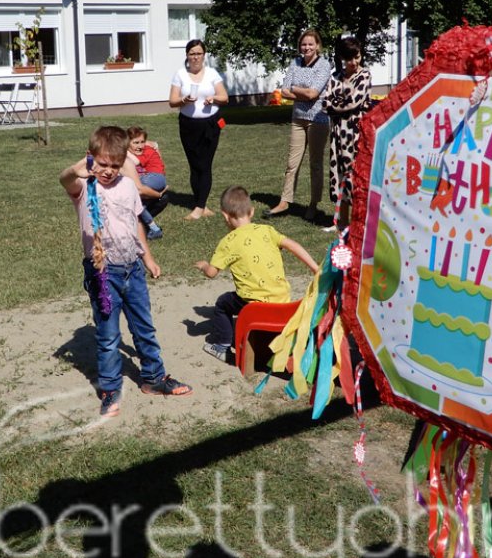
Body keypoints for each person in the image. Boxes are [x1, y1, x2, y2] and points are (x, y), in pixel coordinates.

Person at [60, 126, 193, 417]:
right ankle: (109, 388)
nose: (108, 171)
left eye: (115, 165)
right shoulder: (84, 187)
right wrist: (77, 169)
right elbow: (64, 179)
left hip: (133, 269)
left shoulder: (128, 187)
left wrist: (148, 258)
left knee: (144, 327)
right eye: (102, 164)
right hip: (102, 274)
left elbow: (135, 227)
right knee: (108, 336)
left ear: (124, 163)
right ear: (92, 159)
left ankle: (154, 379)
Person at [195, 185, 318, 362]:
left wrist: (204, 265)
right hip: (282, 298)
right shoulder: (267, 230)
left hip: (254, 304)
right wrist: (314, 268)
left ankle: (222, 346)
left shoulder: (228, 242)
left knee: (222, 304)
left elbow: (212, 273)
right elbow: (293, 245)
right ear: (251, 212)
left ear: (225, 216)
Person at [267, 29, 331, 222]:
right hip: (298, 118)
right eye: (304, 44)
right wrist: (301, 92)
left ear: (317, 46)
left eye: (311, 44)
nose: (307, 47)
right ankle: (285, 201)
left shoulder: (324, 65)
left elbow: (313, 94)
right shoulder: (295, 63)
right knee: (292, 163)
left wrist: (295, 89)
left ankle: (313, 203)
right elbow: (284, 91)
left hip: (318, 119)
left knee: (315, 164)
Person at [168, 39, 228, 220]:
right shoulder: (180, 75)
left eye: (199, 53)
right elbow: (172, 101)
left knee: (205, 164)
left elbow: (224, 97)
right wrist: (184, 100)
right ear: (187, 55)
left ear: (204, 55)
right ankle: (200, 203)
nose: (195, 57)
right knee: (194, 165)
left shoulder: (212, 74)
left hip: (210, 124)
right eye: (192, 53)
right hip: (188, 125)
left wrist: (214, 98)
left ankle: (200, 207)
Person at [321, 36, 372, 231]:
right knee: (339, 175)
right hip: (337, 134)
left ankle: (357, 222)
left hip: (356, 133)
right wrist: (338, 104)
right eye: (349, 58)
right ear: (343, 58)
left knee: (355, 176)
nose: (353, 62)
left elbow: (354, 101)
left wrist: (337, 103)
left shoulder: (364, 76)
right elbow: (325, 104)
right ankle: (341, 222)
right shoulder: (335, 76)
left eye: (356, 57)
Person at [124, 126, 168, 240]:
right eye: (136, 142)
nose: (140, 146)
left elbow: (136, 161)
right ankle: (153, 228)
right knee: (138, 205)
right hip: (152, 179)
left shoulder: (147, 150)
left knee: (133, 189)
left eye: (142, 142)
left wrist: (124, 150)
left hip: (155, 178)